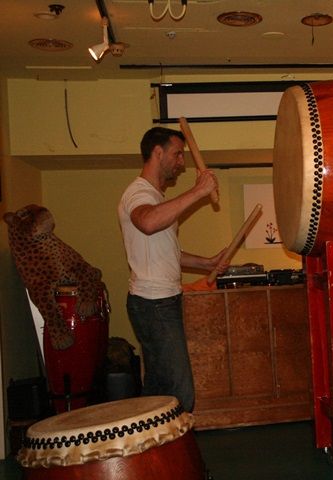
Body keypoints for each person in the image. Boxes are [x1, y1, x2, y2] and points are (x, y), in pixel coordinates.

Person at [118, 126, 228, 412]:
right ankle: (176, 441)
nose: (182, 162)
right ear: (158, 152)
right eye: (177, 154)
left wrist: (206, 263)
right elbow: (148, 222)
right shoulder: (138, 193)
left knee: (158, 388)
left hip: (161, 300)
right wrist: (198, 191)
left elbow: (167, 251)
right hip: (153, 302)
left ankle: (150, 440)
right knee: (180, 391)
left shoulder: (155, 197)